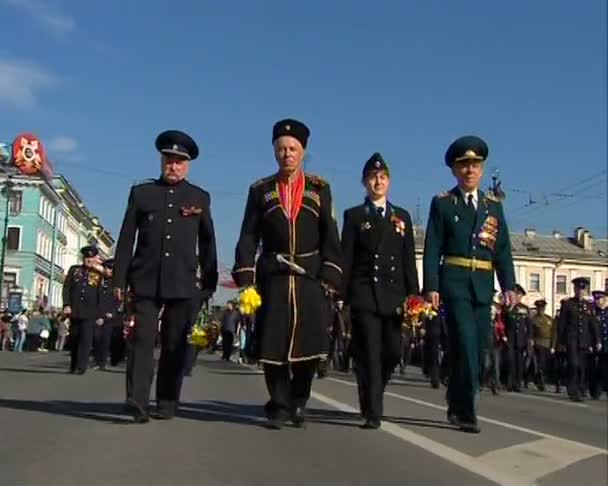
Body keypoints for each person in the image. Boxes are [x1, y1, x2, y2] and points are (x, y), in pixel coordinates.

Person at [232, 118, 342, 429]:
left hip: (309, 277)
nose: (287, 154)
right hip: (274, 277)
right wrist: (246, 276)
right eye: (281, 149)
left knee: (308, 347)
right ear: (274, 152)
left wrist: (332, 275)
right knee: (273, 344)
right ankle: (278, 403)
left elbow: (329, 234)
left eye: (293, 149)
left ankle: (299, 400)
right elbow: (248, 234)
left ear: (303, 152)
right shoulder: (260, 190)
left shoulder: (320, 189)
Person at [113, 130, 218, 423]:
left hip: (183, 283)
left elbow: (208, 242)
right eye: (169, 160)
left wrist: (209, 282)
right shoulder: (142, 193)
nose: (173, 166)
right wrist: (118, 280)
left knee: (175, 344)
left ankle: (167, 400)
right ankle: (137, 399)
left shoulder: (199, 197)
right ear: (161, 161)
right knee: (142, 341)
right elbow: (125, 239)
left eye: (179, 162)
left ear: (188, 166)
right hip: (145, 280)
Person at [423, 136, 516, 433]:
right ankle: (466, 411)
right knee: (463, 342)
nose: (470, 170)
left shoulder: (493, 208)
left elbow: (502, 250)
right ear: (454, 171)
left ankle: (455, 398)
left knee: (478, 350)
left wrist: (509, 285)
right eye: (464, 166)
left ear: (482, 169)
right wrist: (432, 286)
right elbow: (433, 247)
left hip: (483, 285)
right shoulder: (443, 204)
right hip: (455, 283)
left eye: (475, 165)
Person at [341, 152, 419, 429]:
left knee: (391, 353)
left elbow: (408, 259)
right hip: (364, 294)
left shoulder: (402, 217)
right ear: (365, 182)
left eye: (383, 177)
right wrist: (343, 297)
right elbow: (346, 258)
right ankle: (373, 410)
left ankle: (370, 389)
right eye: (373, 177)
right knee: (371, 353)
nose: (378, 182)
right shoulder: (353, 216)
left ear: (389, 182)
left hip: (394, 295)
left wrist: (415, 295)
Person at [62, 246, 107, 374]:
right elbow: (66, 288)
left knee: (86, 340)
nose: (89, 260)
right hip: (75, 310)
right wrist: (66, 304)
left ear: (95, 259)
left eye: (91, 258)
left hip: (90, 312)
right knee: (74, 339)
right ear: (83, 258)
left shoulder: (98, 274)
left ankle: (81, 367)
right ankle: (73, 365)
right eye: (87, 257)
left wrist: (100, 314)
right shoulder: (74, 270)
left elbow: (100, 295)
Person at [557, 277, 600, 402]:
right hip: (572, 339)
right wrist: (560, 342)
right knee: (574, 365)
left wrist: (597, 340)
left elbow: (593, 324)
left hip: (584, 340)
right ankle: (573, 391)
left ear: (585, 290)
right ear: (574, 289)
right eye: (577, 288)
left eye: (582, 289)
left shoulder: (588, 306)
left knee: (582, 366)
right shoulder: (568, 304)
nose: (579, 291)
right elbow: (562, 324)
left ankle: (581, 389)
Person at [504, 284, 532, 392]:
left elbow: (529, 326)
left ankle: (518, 384)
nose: (516, 296)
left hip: (521, 340)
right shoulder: (508, 307)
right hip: (510, 339)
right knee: (510, 361)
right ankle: (510, 383)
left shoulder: (525, 309)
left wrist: (529, 340)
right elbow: (504, 322)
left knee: (519, 362)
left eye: (519, 294)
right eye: (515, 294)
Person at [531, 299, 553, 391]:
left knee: (545, 365)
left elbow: (552, 331)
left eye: (542, 308)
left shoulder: (549, 319)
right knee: (539, 364)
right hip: (538, 344)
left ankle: (539, 379)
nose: (541, 310)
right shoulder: (534, 319)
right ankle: (541, 382)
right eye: (539, 308)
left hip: (548, 344)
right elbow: (531, 332)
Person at [589, 290, 607, 399]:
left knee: (605, 369)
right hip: (595, 345)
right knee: (596, 369)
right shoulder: (593, 313)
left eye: (600, 299)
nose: (598, 302)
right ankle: (595, 390)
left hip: (606, 345)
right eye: (596, 299)